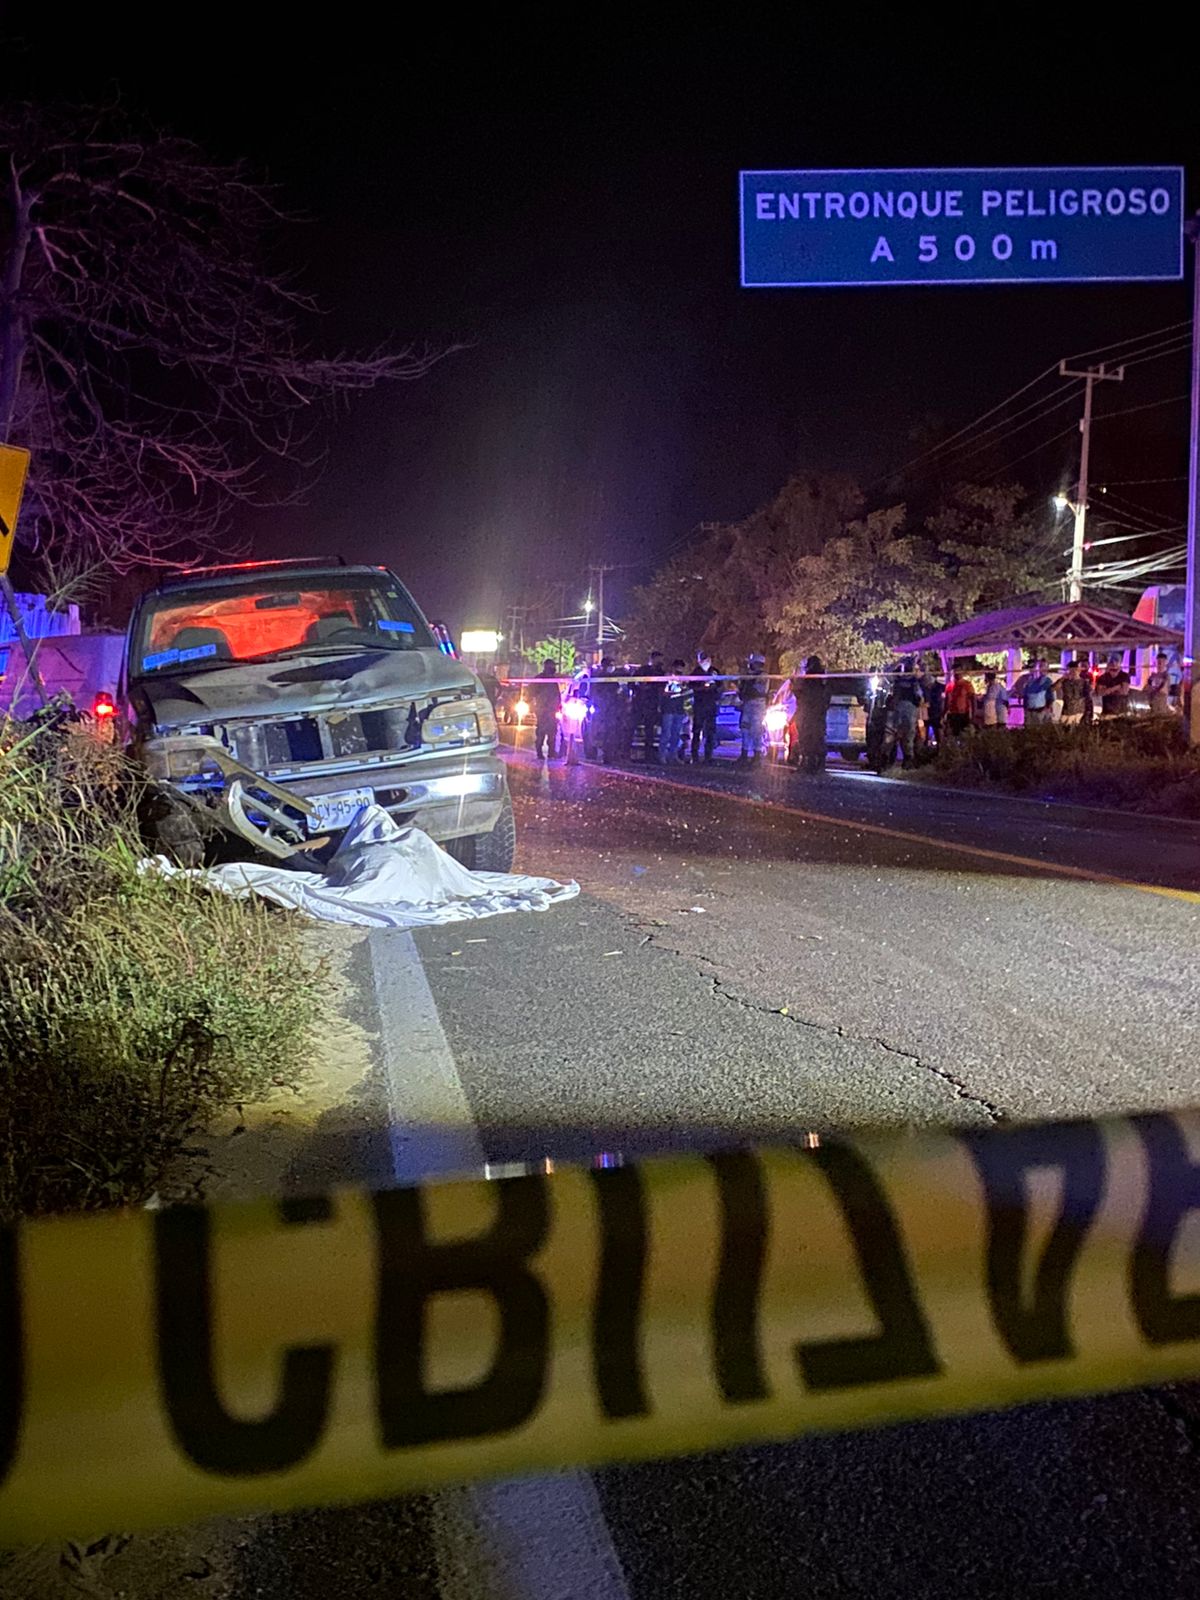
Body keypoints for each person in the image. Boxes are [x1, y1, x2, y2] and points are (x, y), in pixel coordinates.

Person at [792, 655, 832, 774]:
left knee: (808, 738)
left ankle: (810, 763)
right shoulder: (821, 680)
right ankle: (816, 764)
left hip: (810, 713)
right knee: (815, 738)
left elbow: (799, 693)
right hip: (816, 714)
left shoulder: (811, 679)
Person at [736, 652, 769, 767]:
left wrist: (747, 683)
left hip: (757, 705)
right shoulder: (747, 676)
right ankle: (744, 754)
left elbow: (757, 691)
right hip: (747, 704)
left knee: (756, 731)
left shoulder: (762, 676)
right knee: (745, 729)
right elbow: (742, 690)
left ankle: (757, 755)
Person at [632, 650, 665, 761]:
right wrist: (640, 689)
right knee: (633, 727)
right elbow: (632, 683)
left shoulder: (660, 672)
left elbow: (662, 686)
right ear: (652, 659)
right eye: (658, 659)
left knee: (650, 730)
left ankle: (649, 755)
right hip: (640, 704)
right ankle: (626, 752)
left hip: (653, 704)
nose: (660, 662)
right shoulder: (642, 670)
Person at [890, 658, 925, 764]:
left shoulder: (903, 680)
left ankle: (906, 758)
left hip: (904, 708)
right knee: (904, 734)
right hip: (906, 709)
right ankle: (905, 758)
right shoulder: (910, 681)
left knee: (902, 734)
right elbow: (919, 696)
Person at [658, 659, 691, 764]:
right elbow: (663, 693)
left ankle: (673, 756)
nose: (679, 670)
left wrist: (687, 709)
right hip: (668, 709)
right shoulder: (667, 677)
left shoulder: (684, 679)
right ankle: (662, 756)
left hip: (679, 709)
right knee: (666, 734)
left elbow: (687, 694)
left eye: (681, 668)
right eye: (677, 667)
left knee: (676, 734)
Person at [690, 651, 721, 763]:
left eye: (707, 659)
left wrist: (714, 689)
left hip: (711, 704)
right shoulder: (696, 672)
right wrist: (702, 688)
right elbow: (691, 686)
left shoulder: (714, 671)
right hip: (700, 705)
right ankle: (695, 755)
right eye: (703, 659)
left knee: (710, 732)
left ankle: (709, 756)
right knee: (697, 730)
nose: (706, 661)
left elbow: (720, 685)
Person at [588, 657, 620, 762]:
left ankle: (609, 755)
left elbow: (617, 692)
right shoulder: (599, 678)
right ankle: (602, 755)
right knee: (601, 733)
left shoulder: (613, 678)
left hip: (611, 710)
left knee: (611, 733)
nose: (612, 667)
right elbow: (597, 693)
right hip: (602, 710)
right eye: (610, 665)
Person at [529, 659, 561, 761]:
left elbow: (557, 694)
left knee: (552, 731)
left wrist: (558, 706)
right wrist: (532, 705)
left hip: (552, 709)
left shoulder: (553, 679)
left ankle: (551, 751)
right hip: (542, 709)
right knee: (541, 731)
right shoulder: (539, 679)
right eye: (551, 666)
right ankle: (539, 751)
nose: (553, 668)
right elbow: (531, 692)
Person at [1055, 658, 1093, 726]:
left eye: (1075, 669)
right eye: (1071, 670)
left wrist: (1089, 714)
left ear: (1079, 670)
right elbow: (1053, 689)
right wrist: (1062, 679)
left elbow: (1089, 699)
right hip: (1067, 712)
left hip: (1080, 713)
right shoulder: (1065, 682)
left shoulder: (1084, 683)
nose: (1073, 672)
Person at [1095, 652, 1131, 717]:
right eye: (1112, 661)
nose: (1114, 663)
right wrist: (1117, 687)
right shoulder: (1103, 677)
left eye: (1116, 661)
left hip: (1122, 712)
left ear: (1120, 663)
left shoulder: (1124, 676)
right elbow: (1100, 693)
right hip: (1107, 712)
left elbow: (1124, 692)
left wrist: (1108, 690)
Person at [944, 666, 976, 737]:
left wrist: (973, 715)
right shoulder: (949, 686)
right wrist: (944, 713)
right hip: (953, 714)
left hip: (963, 714)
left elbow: (973, 700)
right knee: (954, 734)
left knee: (964, 735)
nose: (957, 674)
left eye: (958, 671)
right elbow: (947, 701)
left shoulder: (967, 684)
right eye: (955, 672)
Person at [1022, 658, 1055, 725]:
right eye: (1041, 666)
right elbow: (1025, 697)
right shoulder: (1029, 681)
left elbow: (1050, 697)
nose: (1043, 669)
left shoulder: (1047, 681)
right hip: (1030, 711)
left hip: (1041, 711)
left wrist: (1047, 709)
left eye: (1046, 667)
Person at [921, 667, 945, 747]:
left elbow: (941, 698)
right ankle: (926, 746)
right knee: (927, 729)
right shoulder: (925, 688)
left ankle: (939, 746)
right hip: (928, 711)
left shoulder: (939, 687)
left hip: (936, 711)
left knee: (937, 729)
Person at [1146, 651, 1173, 716]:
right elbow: (1147, 688)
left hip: (1161, 703)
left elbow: (1162, 688)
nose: (1160, 663)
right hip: (1152, 702)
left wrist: (1153, 689)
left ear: (1165, 662)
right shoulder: (1152, 676)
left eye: (1162, 661)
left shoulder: (1166, 676)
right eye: (1158, 661)